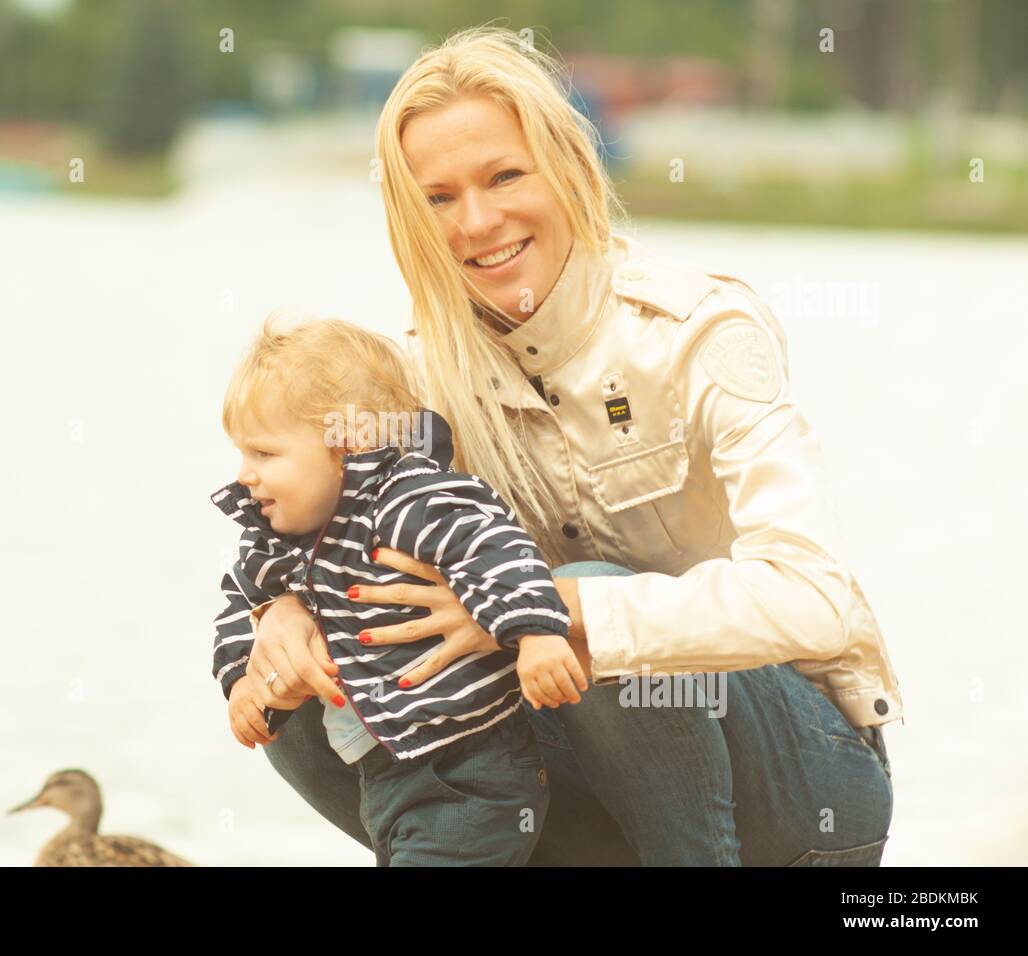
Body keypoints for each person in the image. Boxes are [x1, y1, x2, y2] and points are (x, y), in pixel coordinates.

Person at [239, 27, 902, 867]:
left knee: (586, 604)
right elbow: (320, 535)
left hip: (805, 791)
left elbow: (814, 599)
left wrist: (563, 607)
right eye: (438, 198)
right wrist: (285, 613)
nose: (478, 222)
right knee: (294, 685)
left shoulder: (700, 332)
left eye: (505, 176)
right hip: (591, 787)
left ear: (570, 167)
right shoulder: (415, 376)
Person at [210, 313, 590, 865]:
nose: (245, 474)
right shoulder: (280, 536)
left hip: (466, 766)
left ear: (348, 444)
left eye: (264, 454)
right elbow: (239, 601)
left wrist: (536, 633)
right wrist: (242, 680)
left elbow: (495, 549)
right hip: (383, 775)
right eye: (242, 453)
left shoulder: (408, 499)